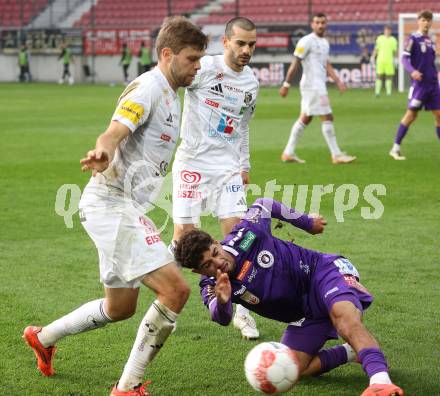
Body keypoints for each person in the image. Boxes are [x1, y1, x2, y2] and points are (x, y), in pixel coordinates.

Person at [23, 16, 208, 396]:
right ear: (167, 54)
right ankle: (128, 388)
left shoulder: (172, 93)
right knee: (175, 291)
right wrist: (103, 150)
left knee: (120, 307)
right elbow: (115, 129)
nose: (197, 66)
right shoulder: (148, 88)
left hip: (124, 208)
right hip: (112, 204)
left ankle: (43, 337)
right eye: (191, 59)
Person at [174, 198, 404, 396]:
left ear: (216, 241)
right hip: (306, 315)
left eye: (215, 253)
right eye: (207, 265)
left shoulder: (245, 235)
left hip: (323, 273)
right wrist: (224, 301)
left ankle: (380, 382)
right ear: (198, 271)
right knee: (292, 370)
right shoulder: (211, 284)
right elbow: (221, 317)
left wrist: (307, 223)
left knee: (344, 319)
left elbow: (264, 204)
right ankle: (352, 351)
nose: (218, 264)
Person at [170, 17, 260, 340]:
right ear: (226, 42)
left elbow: (243, 125)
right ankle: (167, 300)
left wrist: (244, 164)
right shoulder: (203, 69)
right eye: (240, 43)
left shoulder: (251, 83)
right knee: (184, 243)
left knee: (236, 242)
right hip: (192, 163)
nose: (247, 50)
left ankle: (244, 313)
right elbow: (171, 85)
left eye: (252, 44)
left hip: (227, 168)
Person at [279, 13, 356, 165]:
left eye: (323, 22)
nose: (320, 25)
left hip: (318, 85)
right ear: (312, 24)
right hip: (312, 86)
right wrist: (286, 84)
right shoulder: (306, 41)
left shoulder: (325, 43)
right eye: (317, 22)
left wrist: (338, 81)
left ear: (326, 24)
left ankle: (288, 153)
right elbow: (295, 62)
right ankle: (336, 155)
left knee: (305, 118)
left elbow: (326, 64)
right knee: (327, 117)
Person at [389, 10, 440, 161]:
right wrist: (412, 72)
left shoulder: (431, 41)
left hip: (433, 86)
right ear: (418, 21)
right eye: (423, 20)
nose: (426, 23)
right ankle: (395, 148)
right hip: (420, 86)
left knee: (439, 115)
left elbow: (431, 63)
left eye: (429, 20)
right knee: (411, 115)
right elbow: (404, 59)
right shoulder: (412, 38)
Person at [372, 25, 398, 97]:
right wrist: (373, 57)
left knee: (389, 76)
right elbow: (376, 49)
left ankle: (388, 93)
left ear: (390, 31)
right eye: (386, 30)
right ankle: (377, 92)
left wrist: (396, 59)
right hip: (380, 60)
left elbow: (395, 51)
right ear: (384, 31)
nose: (387, 32)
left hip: (389, 61)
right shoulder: (380, 39)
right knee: (379, 76)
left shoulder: (393, 40)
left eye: (389, 30)